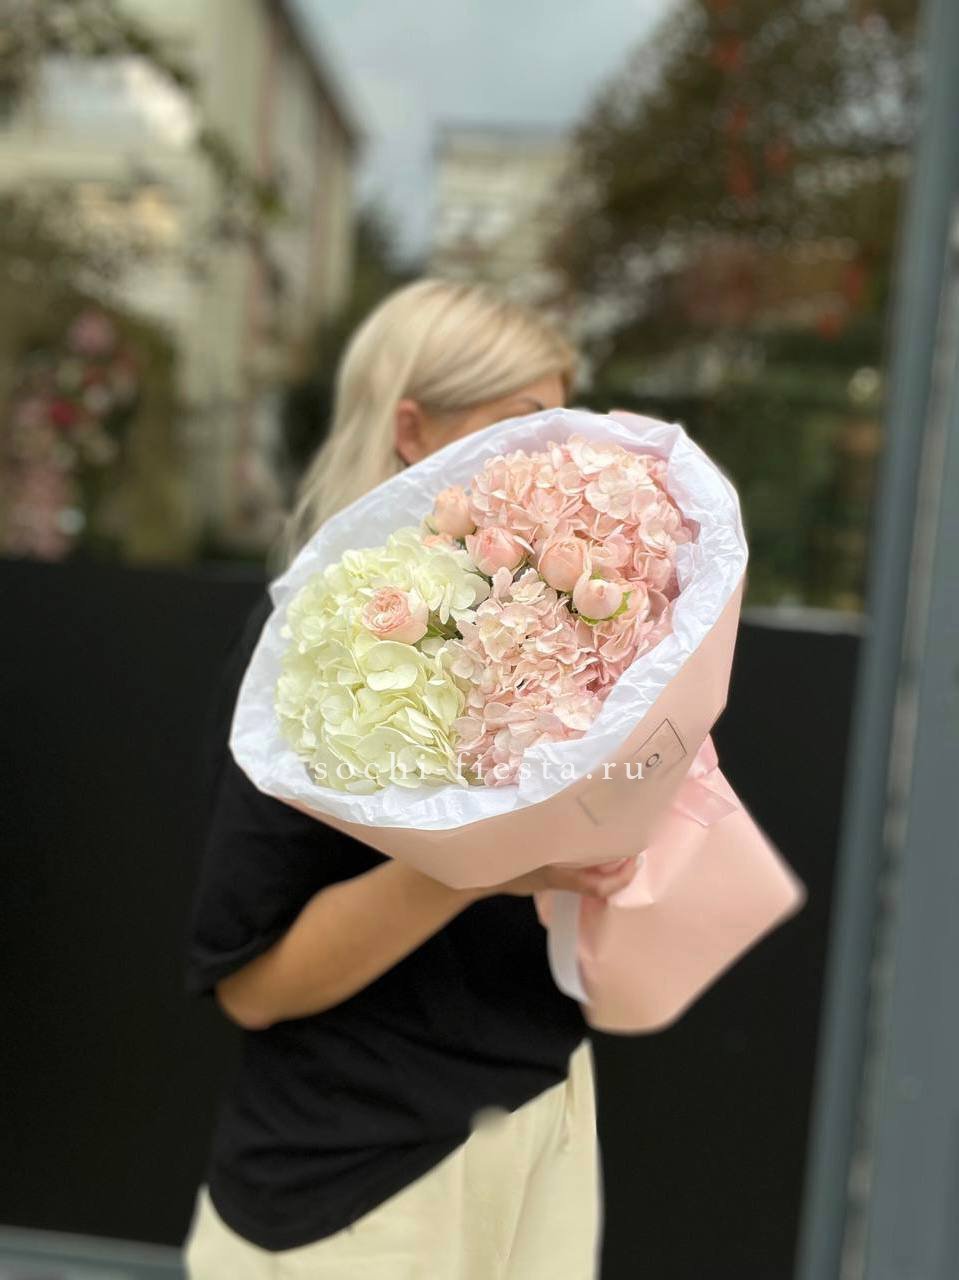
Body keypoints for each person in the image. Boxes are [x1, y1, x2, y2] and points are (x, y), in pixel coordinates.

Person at [180, 278, 640, 1278]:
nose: (553, 456)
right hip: (357, 1180)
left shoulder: (552, 622)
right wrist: (479, 864)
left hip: (542, 1118)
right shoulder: (309, 648)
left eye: (562, 426)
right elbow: (249, 983)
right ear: (411, 429)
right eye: (523, 422)